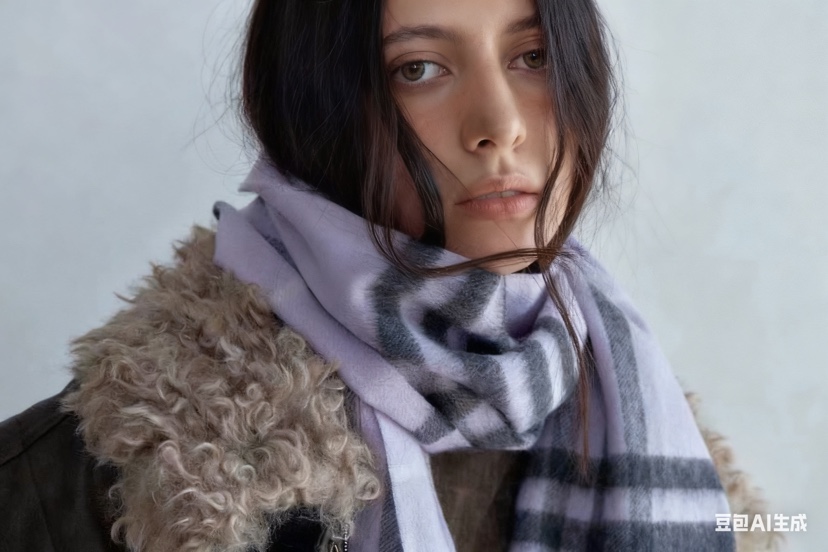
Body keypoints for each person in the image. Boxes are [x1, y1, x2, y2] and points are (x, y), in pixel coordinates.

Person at [0, 0, 781, 550]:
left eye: (533, 57)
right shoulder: (108, 470)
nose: (501, 125)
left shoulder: (644, 428)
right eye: (420, 68)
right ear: (315, 108)